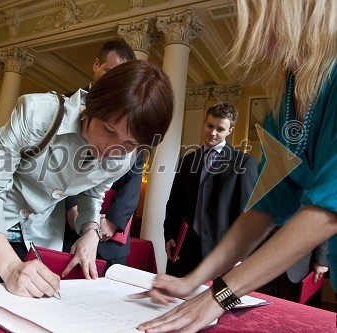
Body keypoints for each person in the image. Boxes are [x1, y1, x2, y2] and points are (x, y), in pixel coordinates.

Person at [134, 1, 336, 332]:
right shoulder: (282, 102)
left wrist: (219, 294)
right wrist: (194, 281)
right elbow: (264, 207)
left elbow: (327, 211)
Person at [0, 61, 175, 299]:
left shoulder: (124, 158)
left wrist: (90, 232)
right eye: (108, 130)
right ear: (93, 105)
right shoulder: (38, 113)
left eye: (130, 143)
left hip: (37, 234)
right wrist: (10, 266)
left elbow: (93, 193)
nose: (113, 149)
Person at [63, 39, 143, 270]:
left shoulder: (133, 115)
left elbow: (133, 173)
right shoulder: (66, 104)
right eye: (109, 72)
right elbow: (58, 164)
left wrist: (112, 221)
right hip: (67, 217)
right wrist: (71, 206)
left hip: (110, 230)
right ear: (96, 65)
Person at [164, 102, 258, 277]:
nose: (212, 133)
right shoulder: (188, 160)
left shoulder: (244, 163)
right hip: (184, 249)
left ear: (230, 131)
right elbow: (174, 203)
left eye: (220, 129)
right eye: (209, 125)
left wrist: (241, 254)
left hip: (221, 252)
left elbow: (247, 213)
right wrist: (169, 235)